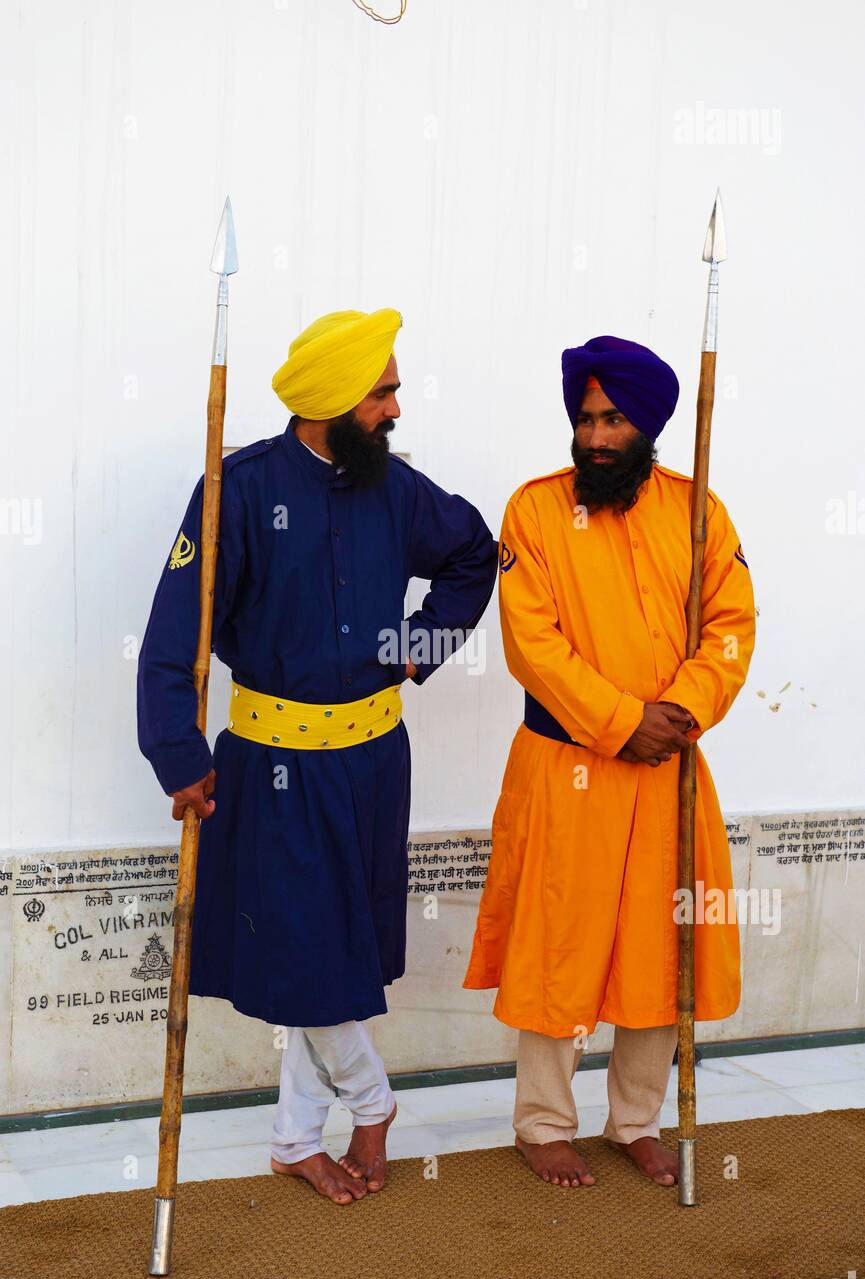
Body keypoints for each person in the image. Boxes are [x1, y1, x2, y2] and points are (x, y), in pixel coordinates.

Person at [137, 308, 499, 1204]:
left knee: (332, 950)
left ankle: (296, 1137)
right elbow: (177, 629)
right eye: (382, 393)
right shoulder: (240, 488)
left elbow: (474, 555)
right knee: (309, 952)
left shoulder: (399, 490)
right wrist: (177, 752)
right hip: (273, 765)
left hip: (375, 761)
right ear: (332, 400)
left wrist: (415, 647)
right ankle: (372, 1104)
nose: (395, 410)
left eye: (394, 391)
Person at [463, 334, 756, 1189]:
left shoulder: (699, 511)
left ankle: (635, 1120)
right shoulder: (535, 510)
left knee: (663, 947)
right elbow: (533, 647)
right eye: (585, 419)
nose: (594, 436)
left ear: (648, 427)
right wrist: (622, 721)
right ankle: (542, 1124)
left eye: (613, 419)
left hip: (670, 767)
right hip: (570, 768)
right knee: (561, 941)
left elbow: (730, 626)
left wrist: (686, 710)